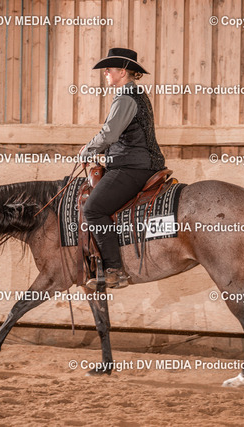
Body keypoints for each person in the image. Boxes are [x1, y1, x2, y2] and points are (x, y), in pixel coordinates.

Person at [79, 48, 166, 289]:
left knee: (93, 209)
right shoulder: (134, 94)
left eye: (109, 68)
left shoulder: (126, 97)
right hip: (140, 163)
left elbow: (109, 134)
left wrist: (88, 150)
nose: (105, 72)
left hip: (132, 167)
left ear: (123, 71)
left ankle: (114, 270)